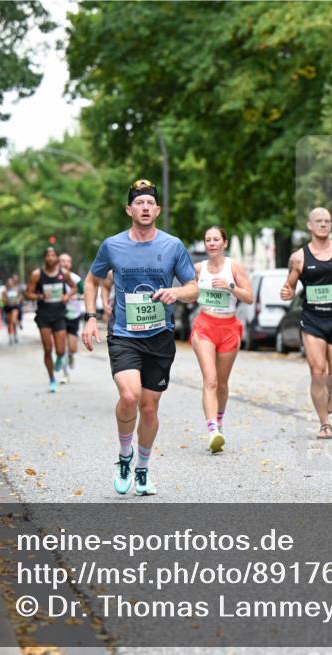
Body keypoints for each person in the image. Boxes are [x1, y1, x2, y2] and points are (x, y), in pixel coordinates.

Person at [81, 179, 198, 496]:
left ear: (157, 210)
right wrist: (91, 318)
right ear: (129, 209)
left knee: (148, 408)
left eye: (150, 203)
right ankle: (124, 456)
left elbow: (193, 288)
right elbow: (91, 281)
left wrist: (176, 292)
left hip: (159, 336)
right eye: (139, 203)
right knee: (129, 397)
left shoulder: (173, 246)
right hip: (123, 335)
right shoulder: (112, 245)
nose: (145, 208)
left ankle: (143, 468)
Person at [279, 207, 332, 439]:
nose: (324, 224)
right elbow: (289, 286)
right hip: (313, 319)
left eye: (327, 221)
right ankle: (325, 424)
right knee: (317, 371)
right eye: (319, 221)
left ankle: (328, 389)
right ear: (310, 225)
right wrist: (287, 293)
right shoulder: (299, 257)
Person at [190, 226, 253, 452]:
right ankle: (212, 430)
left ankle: (219, 419)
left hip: (229, 327)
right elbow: (188, 292)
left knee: (223, 383)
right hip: (205, 325)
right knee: (211, 380)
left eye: (216, 239)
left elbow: (249, 297)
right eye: (208, 240)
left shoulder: (233, 267)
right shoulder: (198, 269)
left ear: (224, 243)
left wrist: (230, 286)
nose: (212, 243)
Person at [25, 247, 78, 393]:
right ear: (44, 258)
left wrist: (67, 296)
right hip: (43, 315)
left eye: (53, 255)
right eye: (47, 255)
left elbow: (74, 287)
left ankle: (60, 358)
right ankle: (52, 379)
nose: (50, 257)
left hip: (59, 314)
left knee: (60, 350)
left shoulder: (64, 273)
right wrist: (39, 296)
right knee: (47, 349)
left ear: (56, 258)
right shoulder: (37, 274)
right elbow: (27, 294)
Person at [59, 253, 84, 383]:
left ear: (71, 264)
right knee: (61, 346)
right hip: (59, 315)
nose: (65, 263)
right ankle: (65, 374)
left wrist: (72, 297)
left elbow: (84, 293)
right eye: (62, 261)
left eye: (67, 261)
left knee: (72, 347)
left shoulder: (76, 279)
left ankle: (71, 356)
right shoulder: (55, 278)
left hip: (73, 314)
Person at [2, 275, 23, 344]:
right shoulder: (5, 291)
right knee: (9, 323)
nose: (9, 283)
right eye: (8, 282)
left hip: (15, 306)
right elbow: (3, 300)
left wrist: (18, 300)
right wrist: (6, 300)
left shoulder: (16, 289)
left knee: (13, 320)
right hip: (8, 307)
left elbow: (21, 296)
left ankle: (18, 325)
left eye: (11, 282)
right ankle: (11, 336)